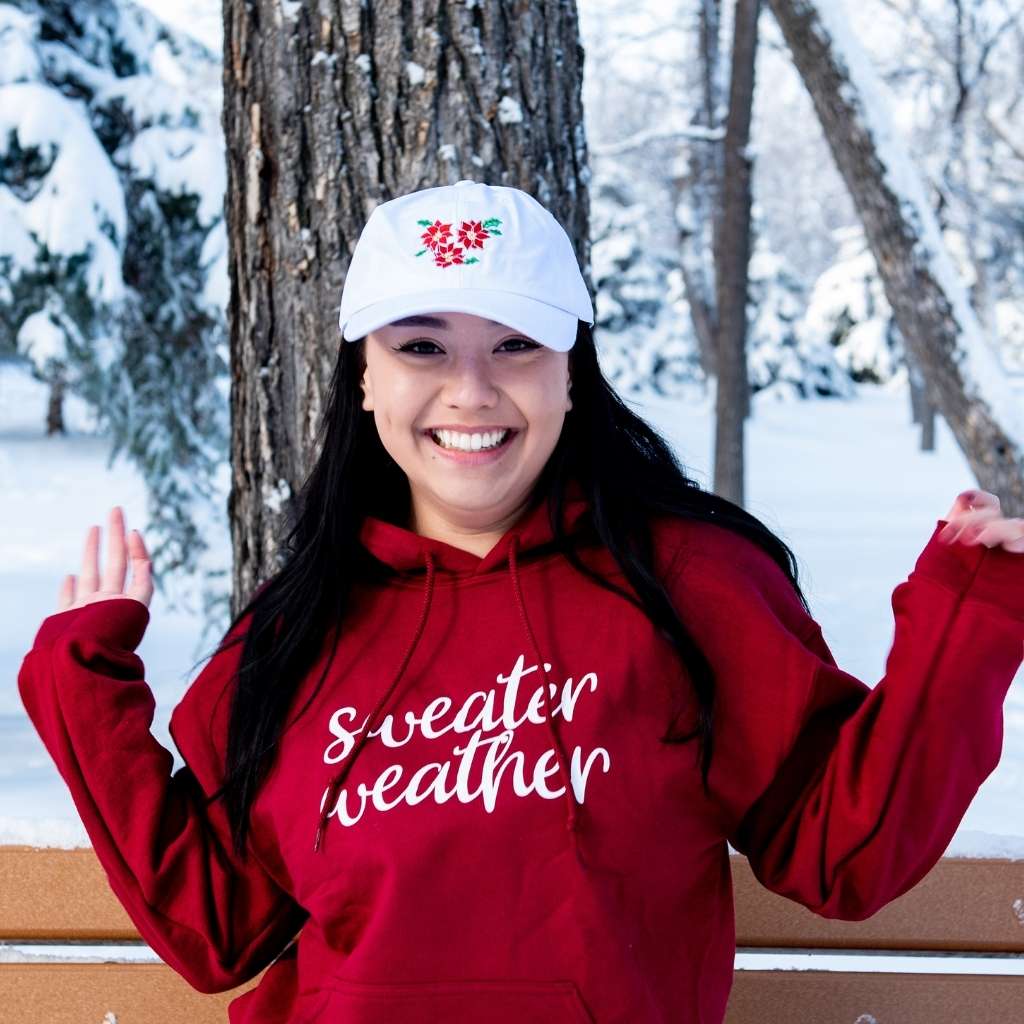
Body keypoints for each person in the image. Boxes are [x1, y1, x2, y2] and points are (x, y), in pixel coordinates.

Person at [17, 179, 1024, 1024]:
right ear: (361, 379)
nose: (471, 388)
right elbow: (214, 927)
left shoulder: (684, 587)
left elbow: (842, 851)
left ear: (570, 374)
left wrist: (973, 612)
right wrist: (83, 694)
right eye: (420, 347)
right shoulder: (297, 631)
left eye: (514, 345)